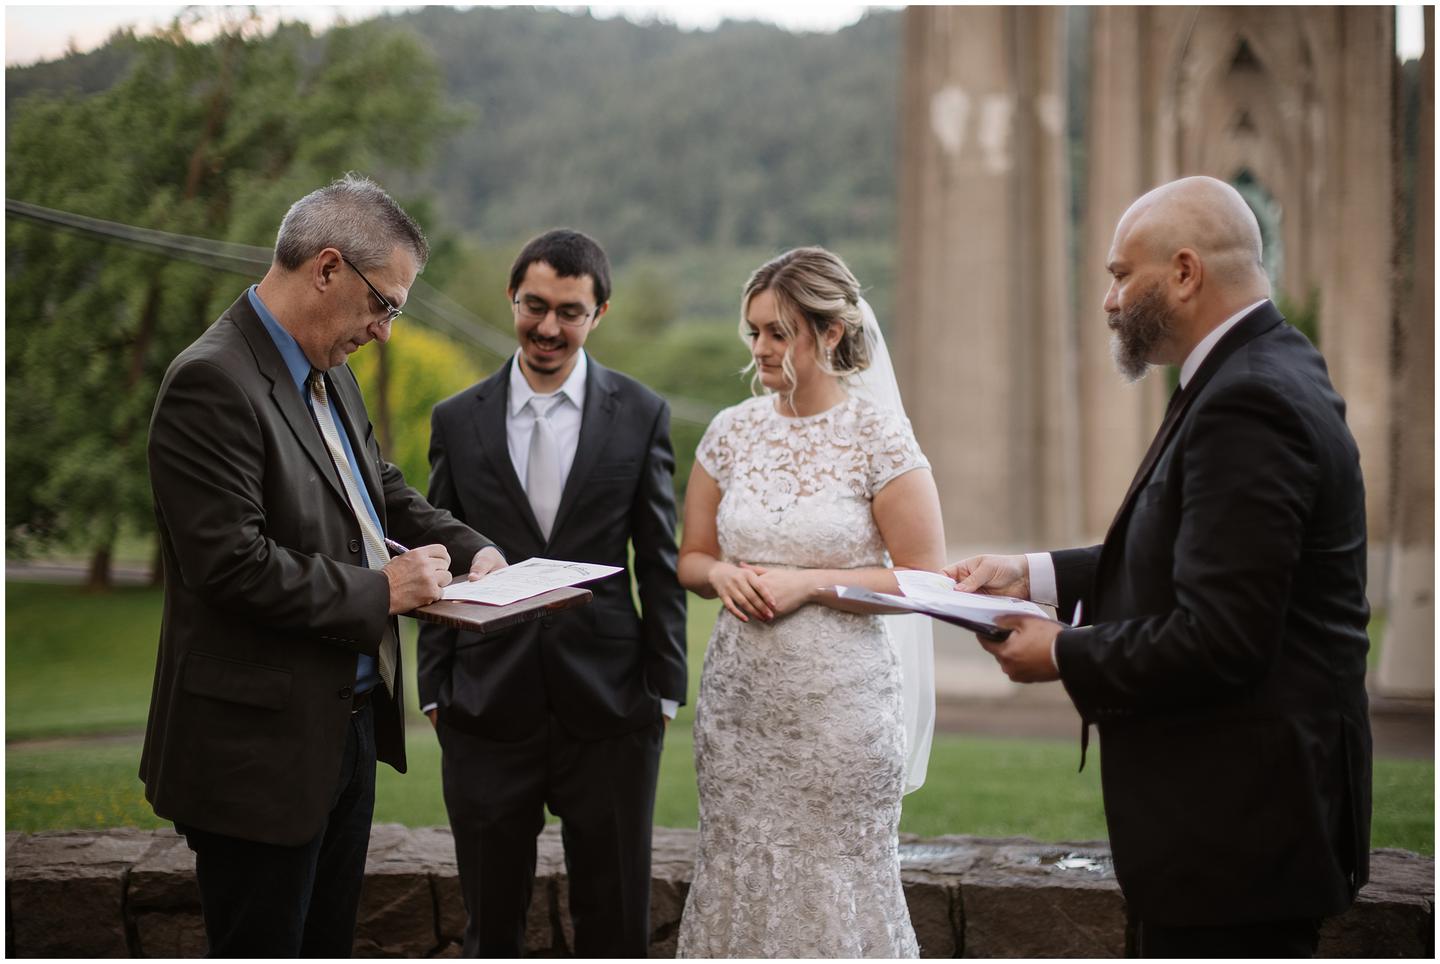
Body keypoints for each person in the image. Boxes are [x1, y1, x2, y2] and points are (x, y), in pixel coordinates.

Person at [952, 176, 1372, 958]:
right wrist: (1031, 575)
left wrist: (1062, 653)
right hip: (1234, 837)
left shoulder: (1248, 400)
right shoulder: (1259, 367)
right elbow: (1187, 550)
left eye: (1120, 275)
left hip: (1238, 845)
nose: (1109, 301)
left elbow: (1223, 637)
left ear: (1184, 272)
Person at [140, 173, 505, 957]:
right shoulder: (210, 380)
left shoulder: (327, 369)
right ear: (329, 268)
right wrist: (383, 590)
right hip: (256, 755)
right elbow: (229, 566)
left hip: (346, 730)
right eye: (385, 305)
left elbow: (377, 487)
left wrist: (473, 547)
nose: (385, 331)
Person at [417, 228, 688, 957]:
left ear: (599, 314)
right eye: (534, 305)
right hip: (483, 707)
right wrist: (436, 690)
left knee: (616, 929)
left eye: (570, 312)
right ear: (512, 297)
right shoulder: (456, 420)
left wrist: (664, 694)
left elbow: (658, 562)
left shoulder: (642, 414)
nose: (547, 327)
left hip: (613, 710)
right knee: (491, 932)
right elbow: (437, 555)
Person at [675, 247, 945, 957]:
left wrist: (814, 583)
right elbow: (691, 557)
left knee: (832, 884)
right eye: (754, 331)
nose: (760, 348)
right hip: (740, 717)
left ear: (830, 333)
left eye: (779, 333)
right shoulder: (730, 432)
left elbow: (926, 578)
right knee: (738, 872)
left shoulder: (878, 438)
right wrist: (720, 576)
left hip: (841, 717)